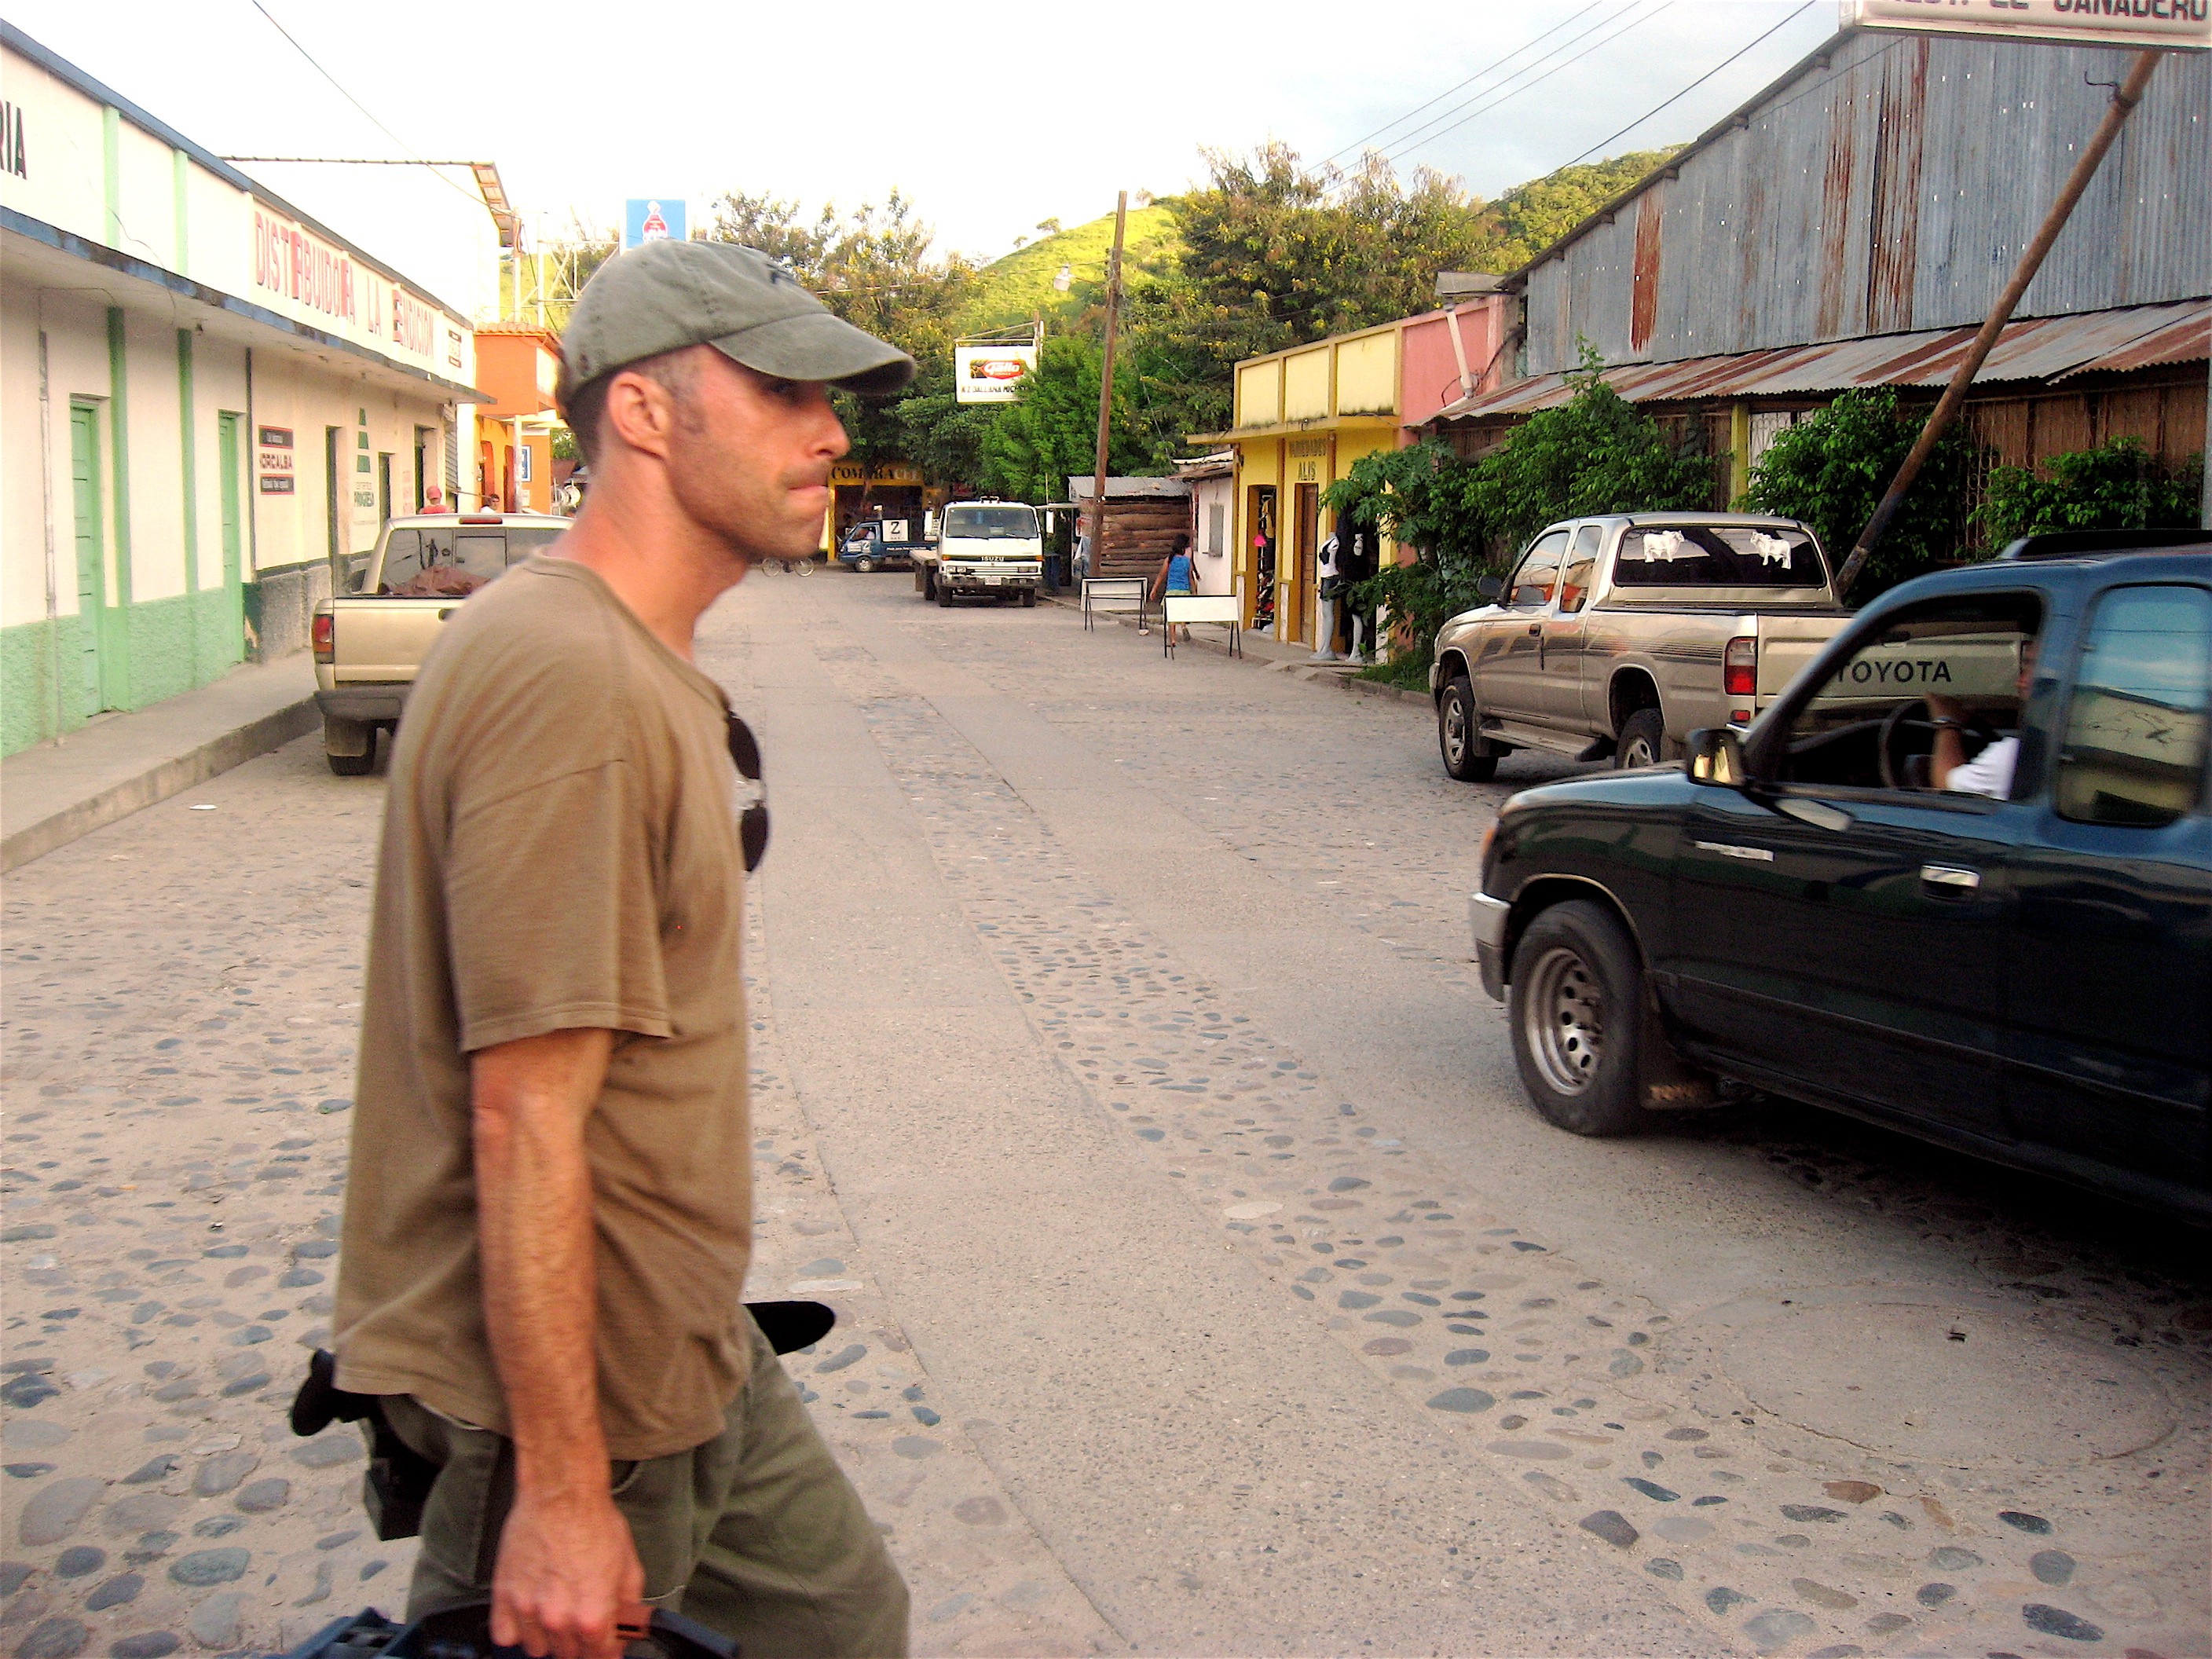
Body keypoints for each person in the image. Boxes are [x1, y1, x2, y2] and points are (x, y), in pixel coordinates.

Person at [331, 238, 915, 1659]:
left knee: (841, 1623)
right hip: (572, 1386)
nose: (830, 429)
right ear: (644, 415)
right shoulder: (570, 676)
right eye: (781, 389)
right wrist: (564, 1489)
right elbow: (526, 1115)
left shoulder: (613, 651)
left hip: (677, 1339)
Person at [1928, 637, 2035, 799]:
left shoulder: (2015, 757)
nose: (2020, 683)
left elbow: (1947, 786)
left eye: (2030, 668)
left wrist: (1947, 723)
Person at [1150, 533, 1194, 641]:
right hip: (1184, 590)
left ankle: (1173, 639)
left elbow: (1161, 575)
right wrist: (1194, 592)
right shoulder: (1187, 561)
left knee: (1171, 616)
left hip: (1171, 590)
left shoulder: (1169, 560)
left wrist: (1154, 589)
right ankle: (1183, 626)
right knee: (1182, 611)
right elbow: (1191, 578)